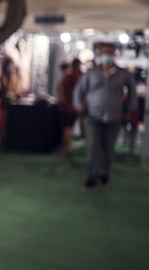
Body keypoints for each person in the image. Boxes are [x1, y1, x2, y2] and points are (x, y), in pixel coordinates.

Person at [73, 43, 137, 193]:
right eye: (104, 52)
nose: (107, 55)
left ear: (115, 54)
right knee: (93, 148)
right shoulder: (91, 73)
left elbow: (132, 92)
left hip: (114, 118)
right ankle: (91, 178)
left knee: (108, 149)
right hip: (93, 117)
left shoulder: (123, 74)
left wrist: (129, 109)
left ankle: (104, 175)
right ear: (99, 54)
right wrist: (78, 105)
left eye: (110, 52)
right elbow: (79, 90)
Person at [56, 59, 83, 158]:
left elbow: (60, 87)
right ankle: (66, 148)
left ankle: (67, 149)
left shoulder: (69, 76)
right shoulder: (82, 76)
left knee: (67, 128)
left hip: (68, 106)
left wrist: (61, 100)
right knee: (69, 127)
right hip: (77, 107)